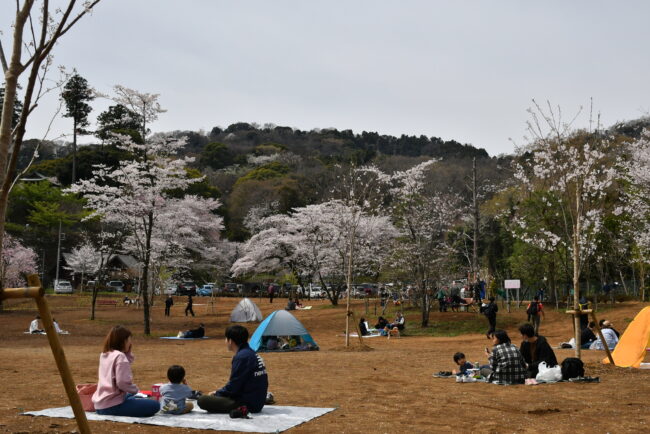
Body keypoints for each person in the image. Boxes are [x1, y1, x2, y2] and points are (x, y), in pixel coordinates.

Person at [198, 325, 269, 414]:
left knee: (202, 400)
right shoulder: (251, 353)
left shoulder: (241, 357)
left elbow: (234, 387)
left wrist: (217, 393)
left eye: (226, 339)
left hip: (248, 404)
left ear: (230, 341)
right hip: (257, 400)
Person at [92, 325, 160, 417]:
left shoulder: (104, 354)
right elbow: (122, 383)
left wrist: (126, 352)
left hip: (100, 404)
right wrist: (136, 390)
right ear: (122, 341)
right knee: (155, 405)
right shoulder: (120, 356)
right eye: (128, 340)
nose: (130, 342)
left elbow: (124, 364)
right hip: (113, 406)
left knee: (129, 396)